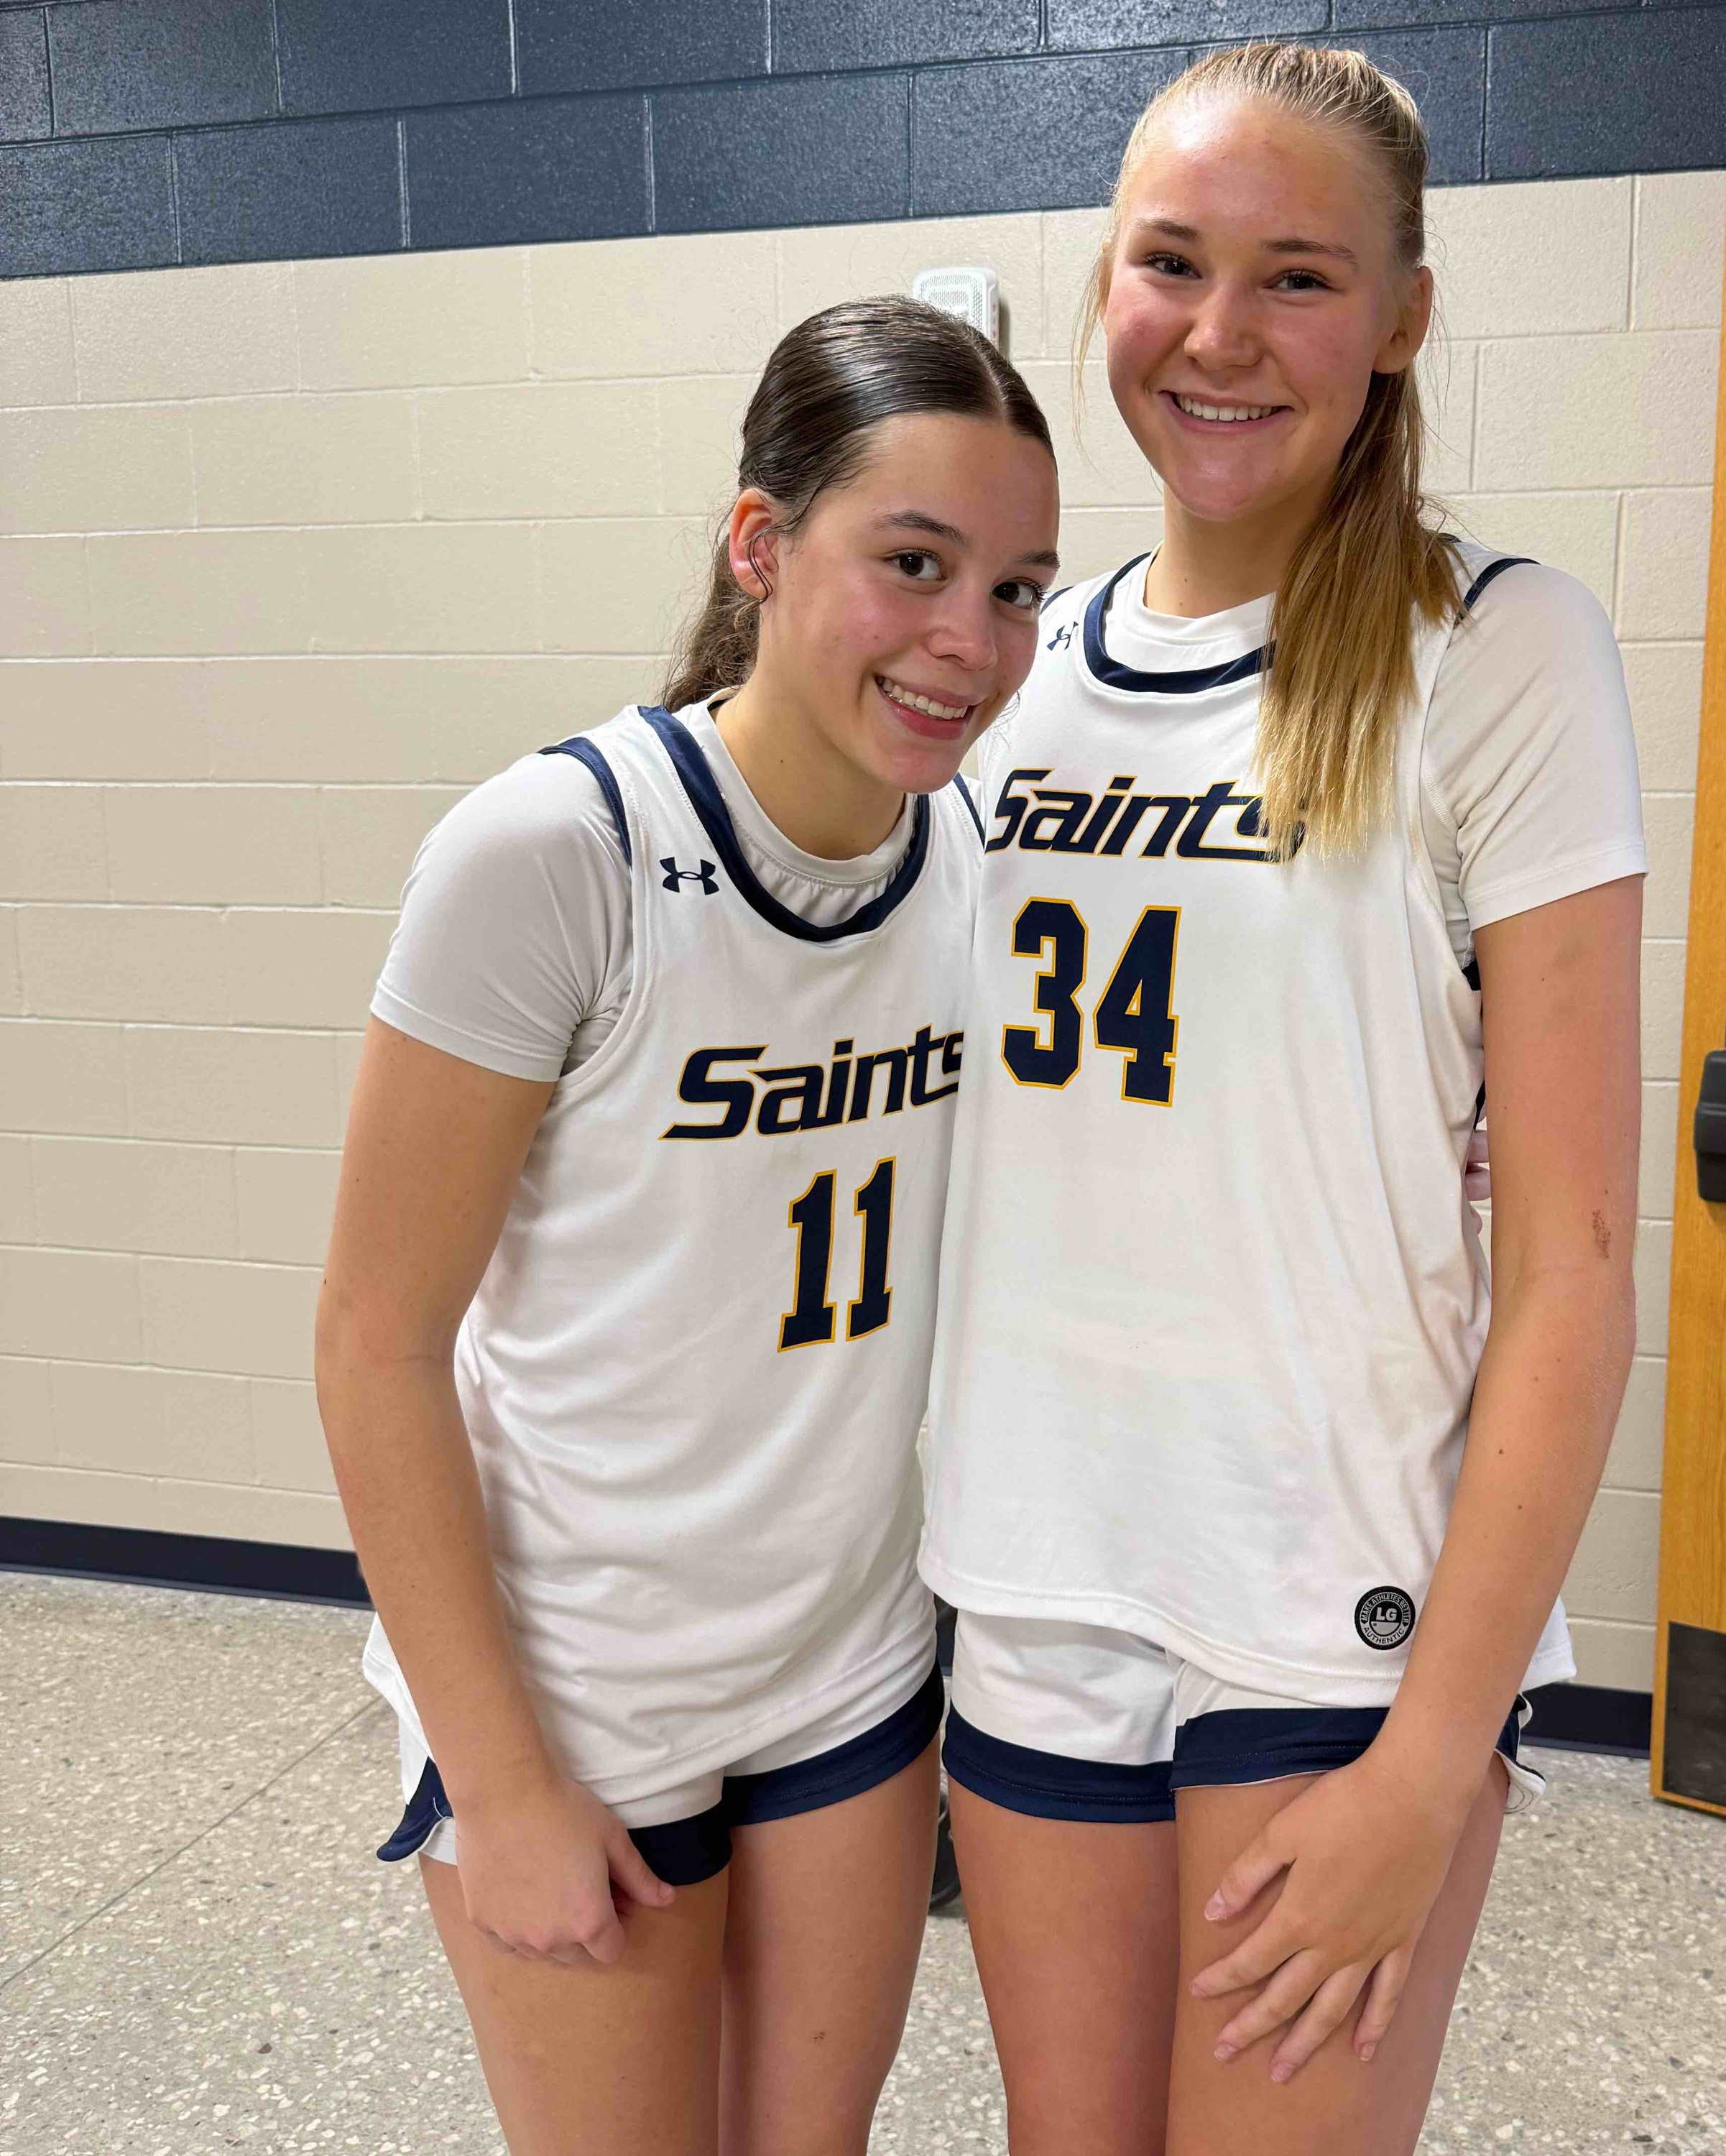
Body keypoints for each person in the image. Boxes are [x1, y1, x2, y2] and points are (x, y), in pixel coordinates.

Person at [920, 44, 1646, 2156]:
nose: (1220, 336)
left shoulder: (1498, 650)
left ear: (1403, 316)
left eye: (1299, 278)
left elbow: (1579, 1263)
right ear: (1105, 284)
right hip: (1036, 1579)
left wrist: (1433, 1758)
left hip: (1334, 1617)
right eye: (1172, 263)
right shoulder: (1006, 675)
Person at [314, 298, 1059, 2156]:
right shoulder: (551, 853)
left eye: (1017, 590)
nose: (970, 643)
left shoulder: (976, 861)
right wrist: (501, 1782)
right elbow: (373, 1348)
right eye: (914, 564)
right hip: (580, 1688)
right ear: (760, 546)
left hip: (847, 1667)